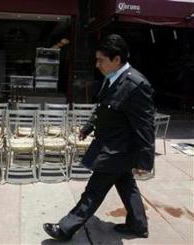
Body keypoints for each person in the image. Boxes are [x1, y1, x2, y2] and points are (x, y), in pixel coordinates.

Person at [43, 34, 155, 241]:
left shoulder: (136, 85)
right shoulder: (112, 79)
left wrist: (145, 161)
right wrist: (88, 127)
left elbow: (146, 126)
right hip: (110, 146)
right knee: (126, 185)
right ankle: (138, 225)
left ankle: (66, 228)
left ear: (116, 60)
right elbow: (104, 108)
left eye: (101, 60)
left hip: (116, 151)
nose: (97, 65)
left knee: (93, 191)